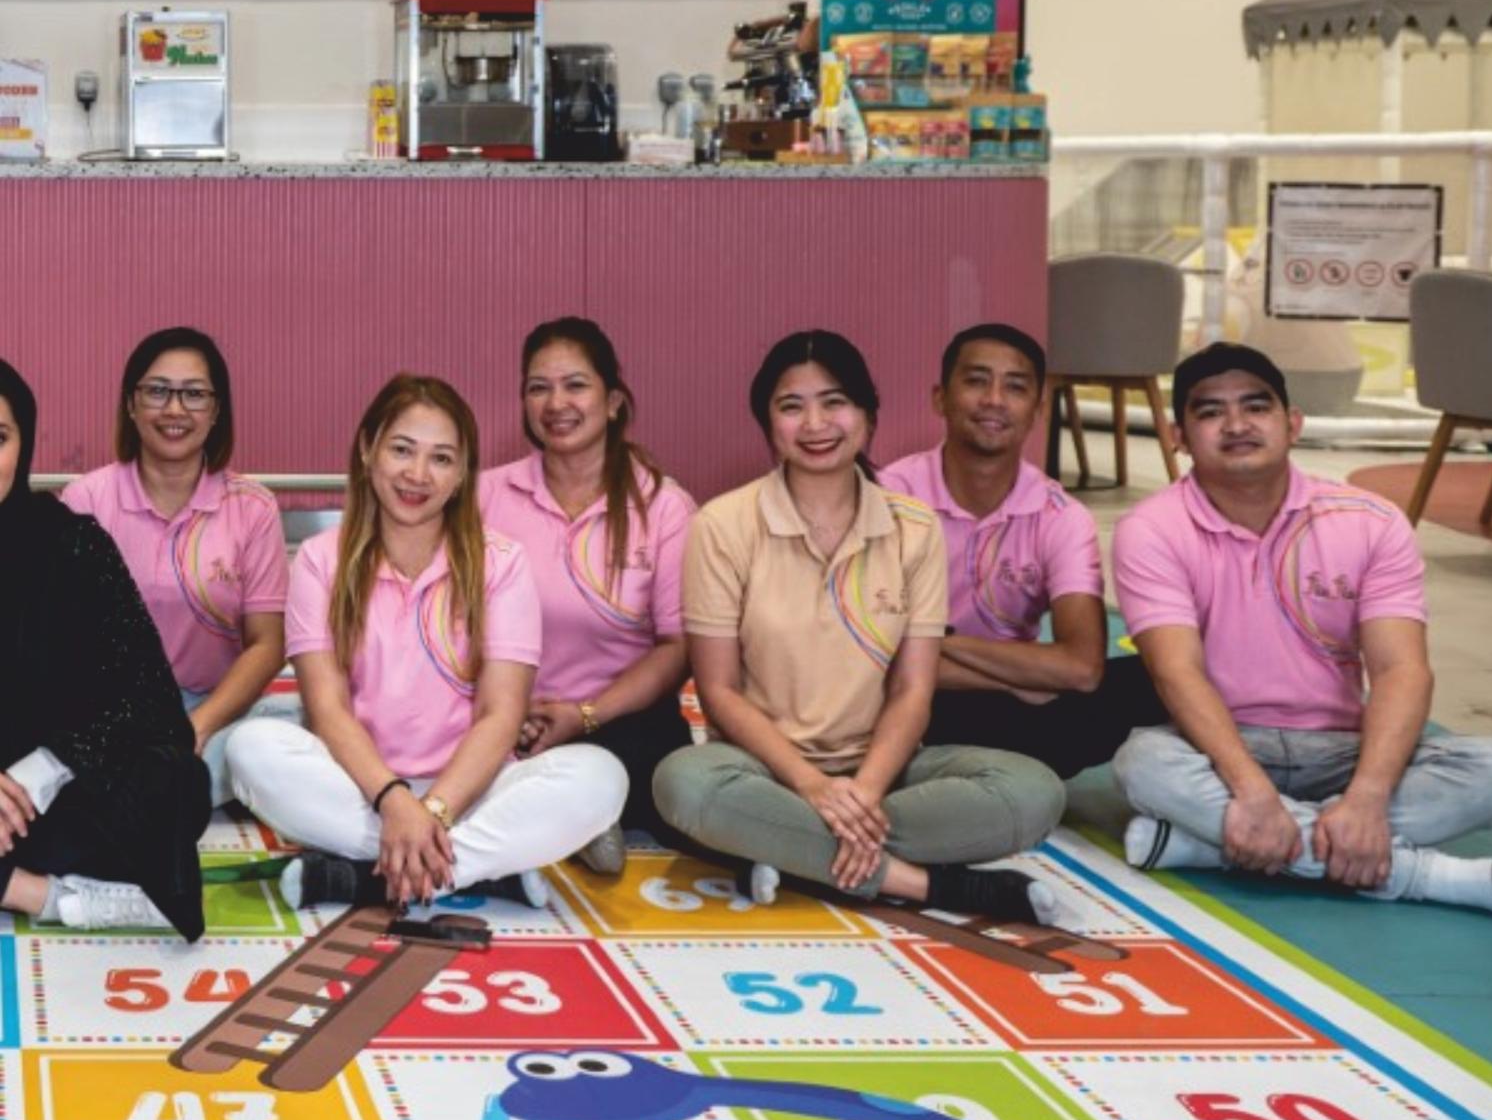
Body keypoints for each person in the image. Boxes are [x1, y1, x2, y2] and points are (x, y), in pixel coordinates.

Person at [1111, 342, 1492, 924]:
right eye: (1211, 411)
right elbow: (1177, 672)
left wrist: (1367, 798)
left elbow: (1401, 670)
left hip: (1343, 748)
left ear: (1293, 423)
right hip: (1223, 746)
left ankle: (1215, 844)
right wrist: (1251, 790)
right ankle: (1416, 874)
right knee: (1143, 763)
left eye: (1256, 407)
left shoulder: (1371, 521)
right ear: (1179, 437)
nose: (1237, 425)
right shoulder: (1152, 529)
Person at [654, 331, 1074, 926]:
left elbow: (912, 689)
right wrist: (811, 786)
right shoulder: (723, 524)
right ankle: (924, 882)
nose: (815, 424)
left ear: (868, 415)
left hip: (885, 772)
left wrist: (866, 791)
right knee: (684, 784)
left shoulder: (914, 528)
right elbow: (718, 691)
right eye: (791, 406)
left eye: (835, 402)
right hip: (762, 770)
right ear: (768, 422)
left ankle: (786, 852)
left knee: (1034, 791)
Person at [228, 374, 627, 910]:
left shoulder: (501, 562)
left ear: (462, 475)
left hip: (472, 791)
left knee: (601, 778)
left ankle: (371, 875)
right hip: (360, 789)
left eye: (441, 458)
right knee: (250, 749)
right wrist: (394, 801)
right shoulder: (321, 559)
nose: (418, 474)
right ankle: (478, 870)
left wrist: (434, 810)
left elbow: (501, 715)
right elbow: (327, 710)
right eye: (401, 450)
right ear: (368, 449)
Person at [881, 323, 1167, 780]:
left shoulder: (1061, 516)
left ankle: (952, 768)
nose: (994, 400)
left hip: (1002, 695)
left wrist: (936, 640)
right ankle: (982, 770)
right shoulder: (889, 498)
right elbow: (863, 652)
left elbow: (1081, 668)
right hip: (917, 695)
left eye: (1015, 387)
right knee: (851, 678)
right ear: (940, 398)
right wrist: (1011, 682)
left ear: (1037, 410)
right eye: (976, 381)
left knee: (1154, 673)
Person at [0, 357, 211, 936]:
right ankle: (41, 896)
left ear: (23, 446)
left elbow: (149, 704)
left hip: (49, 801)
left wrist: (34, 776)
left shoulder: (72, 545)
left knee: (175, 783)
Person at [480, 318, 695, 870]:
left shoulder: (664, 507)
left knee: (666, 780)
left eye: (575, 385)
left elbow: (677, 648)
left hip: (621, 719)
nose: (556, 403)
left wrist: (585, 715)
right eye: (538, 388)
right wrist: (507, 711)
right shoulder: (485, 496)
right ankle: (576, 819)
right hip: (502, 714)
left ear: (614, 401)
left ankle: (565, 817)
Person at [62, 327, 295, 807]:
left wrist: (196, 729)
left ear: (216, 410)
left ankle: (151, 794)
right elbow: (66, 639)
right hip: (112, 717)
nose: (174, 409)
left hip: (217, 713)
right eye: (157, 391)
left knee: (281, 737)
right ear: (131, 404)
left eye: (194, 394)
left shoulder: (252, 507)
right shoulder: (86, 500)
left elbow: (268, 644)